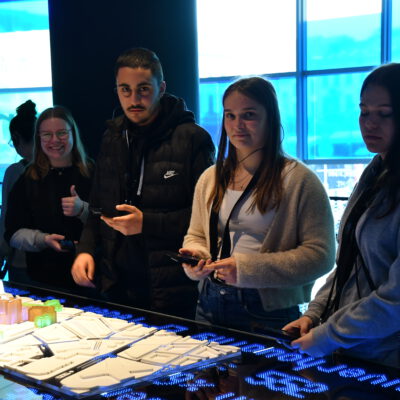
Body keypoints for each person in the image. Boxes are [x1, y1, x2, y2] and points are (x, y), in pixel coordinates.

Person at [180, 77, 335, 332]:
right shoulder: (211, 177)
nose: (237, 125)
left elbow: (321, 256)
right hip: (209, 301)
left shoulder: (298, 180)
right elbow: (196, 235)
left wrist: (247, 269)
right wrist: (197, 258)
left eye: (248, 115)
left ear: (270, 118)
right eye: (230, 115)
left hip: (266, 310)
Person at [71, 47, 215, 318]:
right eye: (125, 90)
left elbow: (207, 218)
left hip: (171, 286)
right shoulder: (112, 137)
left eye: (143, 89)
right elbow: (97, 206)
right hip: (116, 283)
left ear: (161, 88)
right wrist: (86, 250)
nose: (134, 99)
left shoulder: (193, 139)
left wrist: (146, 223)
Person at [284, 63, 400, 368]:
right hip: (356, 349)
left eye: (384, 114)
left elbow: (396, 301)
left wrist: (329, 334)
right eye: (364, 112)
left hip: (388, 359)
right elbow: (349, 265)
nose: (369, 123)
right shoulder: (376, 172)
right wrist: (315, 314)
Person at [4, 106, 93, 290]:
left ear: (73, 134)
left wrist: (83, 210)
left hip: (90, 276)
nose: (54, 140)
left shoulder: (92, 172)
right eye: (47, 134)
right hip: (41, 279)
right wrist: (42, 239)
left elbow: (110, 222)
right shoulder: (28, 177)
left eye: (61, 133)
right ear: (38, 138)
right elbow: (12, 232)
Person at [0, 100, 36, 283]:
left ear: (16, 137)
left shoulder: (14, 172)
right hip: (54, 261)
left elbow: (6, 219)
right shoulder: (56, 168)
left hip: (21, 259)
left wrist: (2, 252)